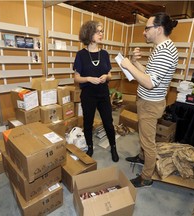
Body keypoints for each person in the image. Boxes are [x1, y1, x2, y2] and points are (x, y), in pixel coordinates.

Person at [121, 12, 178, 187]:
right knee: (144, 135)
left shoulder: (166, 52)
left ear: (158, 29)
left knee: (148, 141)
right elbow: (150, 74)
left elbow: (150, 83)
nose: (144, 32)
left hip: (150, 104)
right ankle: (141, 157)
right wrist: (136, 64)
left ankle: (146, 177)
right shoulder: (160, 48)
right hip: (147, 102)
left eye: (147, 28)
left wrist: (128, 65)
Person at [73, 20, 119, 162]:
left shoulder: (104, 54)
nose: (101, 34)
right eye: (98, 31)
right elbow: (76, 78)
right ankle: (90, 146)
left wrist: (107, 76)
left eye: (102, 31)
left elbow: (110, 74)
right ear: (89, 34)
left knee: (108, 122)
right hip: (88, 95)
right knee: (88, 122)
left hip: (103, 94)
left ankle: (113, 147)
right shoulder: (81, 55)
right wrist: (88, 79)